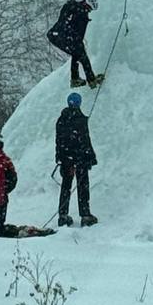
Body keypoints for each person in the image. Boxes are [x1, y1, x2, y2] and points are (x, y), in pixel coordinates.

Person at [55, 92, 98, 227]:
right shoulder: (81, 120)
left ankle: (63, 215)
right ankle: (85, 215)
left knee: (66, 186)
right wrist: (90, 157)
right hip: (80, 159)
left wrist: (61, 157)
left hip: (67, 159)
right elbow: (85, 140)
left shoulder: (61, 120)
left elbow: (59, 141)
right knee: (82, 186)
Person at [47, 0, 103, 88]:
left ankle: (76, 79)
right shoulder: (80, 13)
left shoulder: (73, 7)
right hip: (60, 36)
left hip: (57, 35)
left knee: (77, 53)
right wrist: (73, 38)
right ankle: (90, 80)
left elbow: (64, 20)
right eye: (89, 9)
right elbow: (69, 27)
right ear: (86, 5)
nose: (88, 11)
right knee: (81, 55)